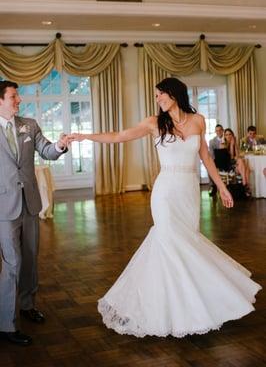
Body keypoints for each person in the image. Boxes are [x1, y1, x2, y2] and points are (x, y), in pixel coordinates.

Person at [70, 77, 261, 338]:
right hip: (165, 192)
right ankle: (168, 310)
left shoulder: (198, 120)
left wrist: (223, 187)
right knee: (169, 242)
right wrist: (84, 136)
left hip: (189, 192)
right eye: (156, 95)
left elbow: (205, 156)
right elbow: (118, 136)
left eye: (161, 94)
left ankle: (191, 304)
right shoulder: (153, 123)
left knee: (187, 244)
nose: (158, 99)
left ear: (174, 94)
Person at [0, 81, 69, 346]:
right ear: (1, 101)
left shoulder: (29, 124)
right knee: (12, 263)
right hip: (4, 208)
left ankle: (27, 305)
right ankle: (6, 323)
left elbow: (47, 151)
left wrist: (61, 145)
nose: (19, 101)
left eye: (17, 97)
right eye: (14, 97)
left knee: (29, 258)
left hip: (30, 204)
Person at [223, 128, 251, 195]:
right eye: (226, 135)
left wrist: (234, 144)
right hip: (228, 166)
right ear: (224, 136)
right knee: (242, 164)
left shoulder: (234, 143)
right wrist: (232, 145)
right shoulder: (223, 145)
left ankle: (245, 186)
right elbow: (231, 158)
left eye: (230, 134)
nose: (228, 136)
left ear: (232, 135)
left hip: (236, 165)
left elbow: (238, 155)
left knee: (247, 168)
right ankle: (246, 186)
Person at [208, 124, 225, 196]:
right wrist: (214, 163)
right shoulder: (212, 141)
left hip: (226, 160)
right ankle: (213, 186)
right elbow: (211, 154)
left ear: (222, 131)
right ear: (215, 132)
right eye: (217, 131)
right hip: (216, 160)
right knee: (210, 168)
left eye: (220, 130)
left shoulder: (227, 138)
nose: (218, 132)